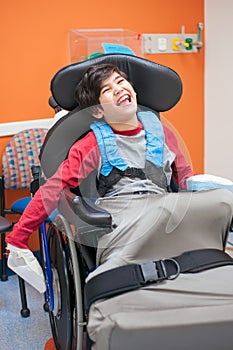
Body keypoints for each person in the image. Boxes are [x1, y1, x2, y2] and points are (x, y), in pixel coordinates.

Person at [6, 63, 233, 292]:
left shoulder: (162, 133)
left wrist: (206, 192)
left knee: (223, 200)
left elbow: (183, 178)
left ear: (132, 90)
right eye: (106, 90)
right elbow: (54, 187)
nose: (117, 89)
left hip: (163, 206)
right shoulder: (91, 143)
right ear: (97, 111)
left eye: (120, 81)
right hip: (121, 213)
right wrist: (18, 238)